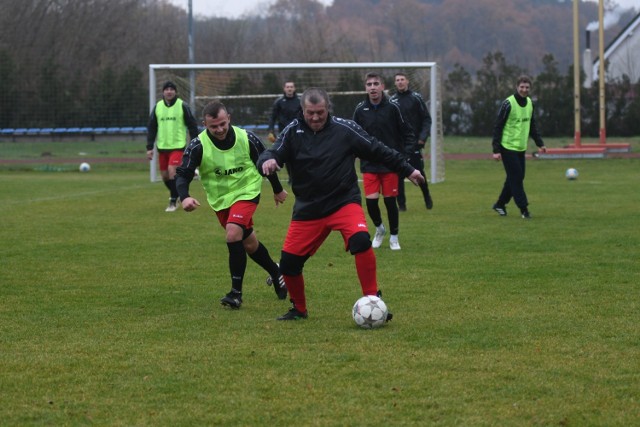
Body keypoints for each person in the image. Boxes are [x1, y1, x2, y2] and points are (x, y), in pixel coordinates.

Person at [257, 87, 424, 321]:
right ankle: (299, 309)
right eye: (310, 113)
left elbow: (378, 149)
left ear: (328, 109)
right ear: (302, 111)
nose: (315, 117)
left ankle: (372, 300)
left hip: (343, 202)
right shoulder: (292, 132)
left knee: (361, 240)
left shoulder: (345, 129)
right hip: (309, 208)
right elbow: (271, 152)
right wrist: (269, 160)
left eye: (320, 112)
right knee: (289, 264)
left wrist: (408, 170)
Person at [175, 101, 289, 309]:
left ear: (229, 118)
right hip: (221, 200)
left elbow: (266, 163)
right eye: (213, 126)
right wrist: (184, 197)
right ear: (205, 124)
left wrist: (277, 189)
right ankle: (276, 271)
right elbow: (183, 173)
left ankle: (235, 294)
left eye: (222, 124)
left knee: (232, 234)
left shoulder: (247, 138)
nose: (219, 130)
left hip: (247, 191)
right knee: (248, 243)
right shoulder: (198, 145)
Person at [353, 72, 415, 251]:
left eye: (376, 84)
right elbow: (353, 134)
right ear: (366, 88)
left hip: (390, 164)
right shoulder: (360, 109)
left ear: (382, 87)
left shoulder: (393, 108)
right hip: (369, 164)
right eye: (369, 84)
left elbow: (407, 131)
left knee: (390, 202)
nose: (372, 87)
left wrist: (405, 155)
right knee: (371, 202)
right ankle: (380, 229)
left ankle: (394, 237)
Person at [491, 75, 546, 219]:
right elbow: (498, 126)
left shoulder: (530, 103)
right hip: (507, 147)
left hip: (521, 148)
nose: (524, 90)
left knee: (516, 177)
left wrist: (540, 143)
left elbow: (532, 125)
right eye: (522, 87)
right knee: (516, 178)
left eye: (527, 87)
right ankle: (524, 209)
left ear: (530, 88)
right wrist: (496, 150)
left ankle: (500, 204)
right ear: (517, 87)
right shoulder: (508, 103)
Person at [146, 81, 200, 212]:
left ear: (175, 92)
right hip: (162, 147)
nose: (169, 91)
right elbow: (152, 128)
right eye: (166, 89)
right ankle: (181, 192)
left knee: (172, 172)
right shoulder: (158, 107)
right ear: (163, 92)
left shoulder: (182, 105)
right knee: (164, 176)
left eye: (171, 89)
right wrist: (149, 147)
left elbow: (192, 125)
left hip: (178, 146)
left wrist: (195, 143)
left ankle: (172, 201)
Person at [390, 72, 434, 211]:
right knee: (398, 174)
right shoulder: (392, 101)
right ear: (395, 83)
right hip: (398, 144)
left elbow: (427, 119)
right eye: (397, 80)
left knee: (418, 172)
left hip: (414, 143)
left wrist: (422, 137)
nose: (400, 82)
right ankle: (401, 205)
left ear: (407, 81)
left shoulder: (416, 98)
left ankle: (426, 196)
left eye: (402, 79)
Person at [267, 81, 301, 185]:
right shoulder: (279, 102)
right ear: (284, 89)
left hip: (298, 132)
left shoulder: (300, 101)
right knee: (287, 156)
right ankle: (291, 178)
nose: (289, 88)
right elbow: (273, 117)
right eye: (287, 87)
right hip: (284, 133)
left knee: (298, 155)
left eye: (291, 87)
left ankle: (298, 177)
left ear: (294, 88)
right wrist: (270, 130)